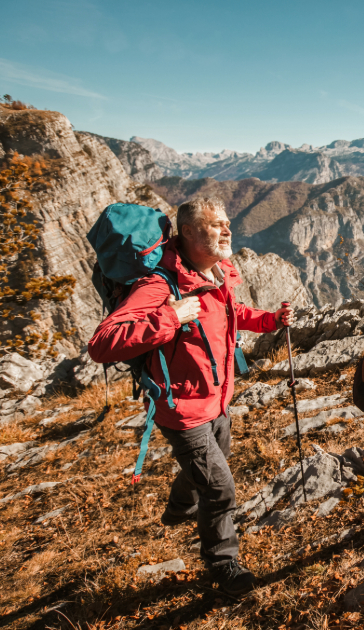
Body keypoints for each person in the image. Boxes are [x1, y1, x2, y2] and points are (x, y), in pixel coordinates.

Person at [88, 197, 294, 596]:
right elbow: (103, 343)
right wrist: (172, 317)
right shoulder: (158, 285)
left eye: (227, 222)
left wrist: (270, 320)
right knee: (220, 488)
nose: (227, 229)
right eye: (216, 224)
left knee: (209, 467)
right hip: (180, 409)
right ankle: (222, 564)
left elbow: (236, 313)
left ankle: (180, 506)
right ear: (187, 233)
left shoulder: (217, 272)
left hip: (217, 400)